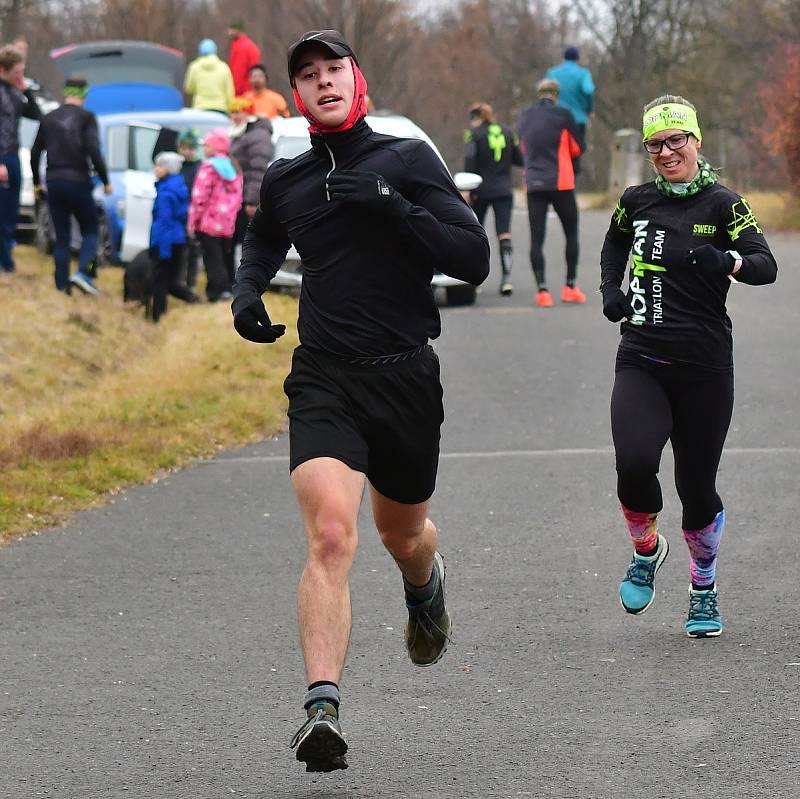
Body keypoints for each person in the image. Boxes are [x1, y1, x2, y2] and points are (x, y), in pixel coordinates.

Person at [231, 30, 489, 772]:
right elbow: (261, 241)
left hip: (405, 376)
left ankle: (423, 583)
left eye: (333, 69)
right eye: (305, 75)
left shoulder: (406, 161)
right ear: (298, 94)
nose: (321, 81)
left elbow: (471, 257)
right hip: (325, 375)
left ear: (357, 77)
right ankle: (322, 706)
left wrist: (395, 209)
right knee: (332, 534)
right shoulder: (286, 178)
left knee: (402, 535)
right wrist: (248, 292)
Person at [600, 95, 777, 638]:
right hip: (642, 359)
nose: (667, 150)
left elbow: (766, 266)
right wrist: (612, 289)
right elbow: (613, 243)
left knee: (697, 488)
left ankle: (703, 584)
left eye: (677, 139)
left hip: (704, 369)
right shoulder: (635, 201)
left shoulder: (725, 205)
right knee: (633, 463)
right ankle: (647, 550)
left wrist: (728, 260)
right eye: (656, 143)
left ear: (696, 141)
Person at [30, 76, 110, 295]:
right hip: (78, 181)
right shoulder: (87, 118)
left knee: (62, 236)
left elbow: (35, 152)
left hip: (54, 181)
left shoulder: (49, 118)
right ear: (83, 95)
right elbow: (94, 152)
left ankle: (62, 285)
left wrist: (38, 184)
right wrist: (106, 181)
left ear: (66, 93)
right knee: (91, 230)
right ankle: (86, 272)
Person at [518, 77, 585, 307]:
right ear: (556, 95)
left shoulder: (524, 116)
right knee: (571, 233)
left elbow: (522, 146)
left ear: (539, 94)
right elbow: (577, 147)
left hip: (534, 182)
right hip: (561, 182)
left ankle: (542, 291)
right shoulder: (563, 115)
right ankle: (570, 286)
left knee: (537, 238)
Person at [464, 102, 523, 295]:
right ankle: (507, 279)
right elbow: (519, 159)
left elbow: (470, 160)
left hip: (480, 189)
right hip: (504, 189)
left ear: (476, 118)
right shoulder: (507, 132)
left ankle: (474, 280)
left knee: (475, 234)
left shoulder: (473, 134)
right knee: (504, 233)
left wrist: (468, 188)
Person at [188, 128, 242, 302]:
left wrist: (194, 221)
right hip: (227, 222)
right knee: (225, 256)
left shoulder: (209, 167)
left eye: (207, 145)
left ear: (215, 147)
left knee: (212, 259)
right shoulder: (233, 167)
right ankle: (228, 288)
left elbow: (199, 197)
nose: (204, 148)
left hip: (209, 222)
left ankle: (216, 292)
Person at [0, 44, 40, 274]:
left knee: (11, 211)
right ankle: (5, 262)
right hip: (2, 158)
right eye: (17, 71)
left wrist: (25, 89)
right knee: (2, 210)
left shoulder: (14, 92)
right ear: (4, 69)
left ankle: (6, 259)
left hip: (14, 157)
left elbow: (36, 115)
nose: (20, 75)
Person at [149, 151, 199, 321]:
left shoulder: (166, 193)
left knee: (160, 282)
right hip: (177, 240)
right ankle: (191, 298)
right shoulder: (178, 186)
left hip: (166, 243)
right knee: (170, 281)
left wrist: (162, 251)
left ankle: (157, 317)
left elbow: (164, 222)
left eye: (160, 165)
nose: (156, 168)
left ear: (168, 169)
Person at [228, 96, 273, 283]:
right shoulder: (241, 134)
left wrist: (252, 200)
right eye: (233, 112)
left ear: (248, 113)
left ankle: (252, 278)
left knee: (249, 241)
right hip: (237, 196)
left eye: (239, 111)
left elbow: (258, 169)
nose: (235, 116)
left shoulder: (258, 134)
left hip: (248, 197)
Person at [546, 46, 595, 173]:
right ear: (577, 58)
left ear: (563, 58)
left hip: (555, 119)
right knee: (575, 153)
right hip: (577, 120)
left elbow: (546, 93)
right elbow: (589, 90)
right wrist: (589, 109)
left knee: (555, 153)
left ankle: (556, 184)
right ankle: (572, 187)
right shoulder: (583, 73)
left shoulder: (553, 73)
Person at [178, 129, 202, 291]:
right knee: (180, 250)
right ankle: (178, 280)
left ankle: (191, 282)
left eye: (191, 148)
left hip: (194, 214)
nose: (188, 152)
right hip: (179, 213)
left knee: (193, 250)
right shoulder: (177, 166)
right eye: (185, 148)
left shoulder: (199, 167)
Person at [184, 39, 234, 115]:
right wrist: (232, 109)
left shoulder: (194, 67)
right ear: (215, 51)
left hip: (200, 107)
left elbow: (189, 88)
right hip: (220, 108)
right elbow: (229, 91)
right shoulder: (224, 67)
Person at [227, 20, 261, 96]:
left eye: (232, 30)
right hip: (245, 91)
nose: (229, 32)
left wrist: (235, 91)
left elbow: (239, 72)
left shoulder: (243, 47)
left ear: (239, 30)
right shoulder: (239, 45)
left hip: (244, 92)